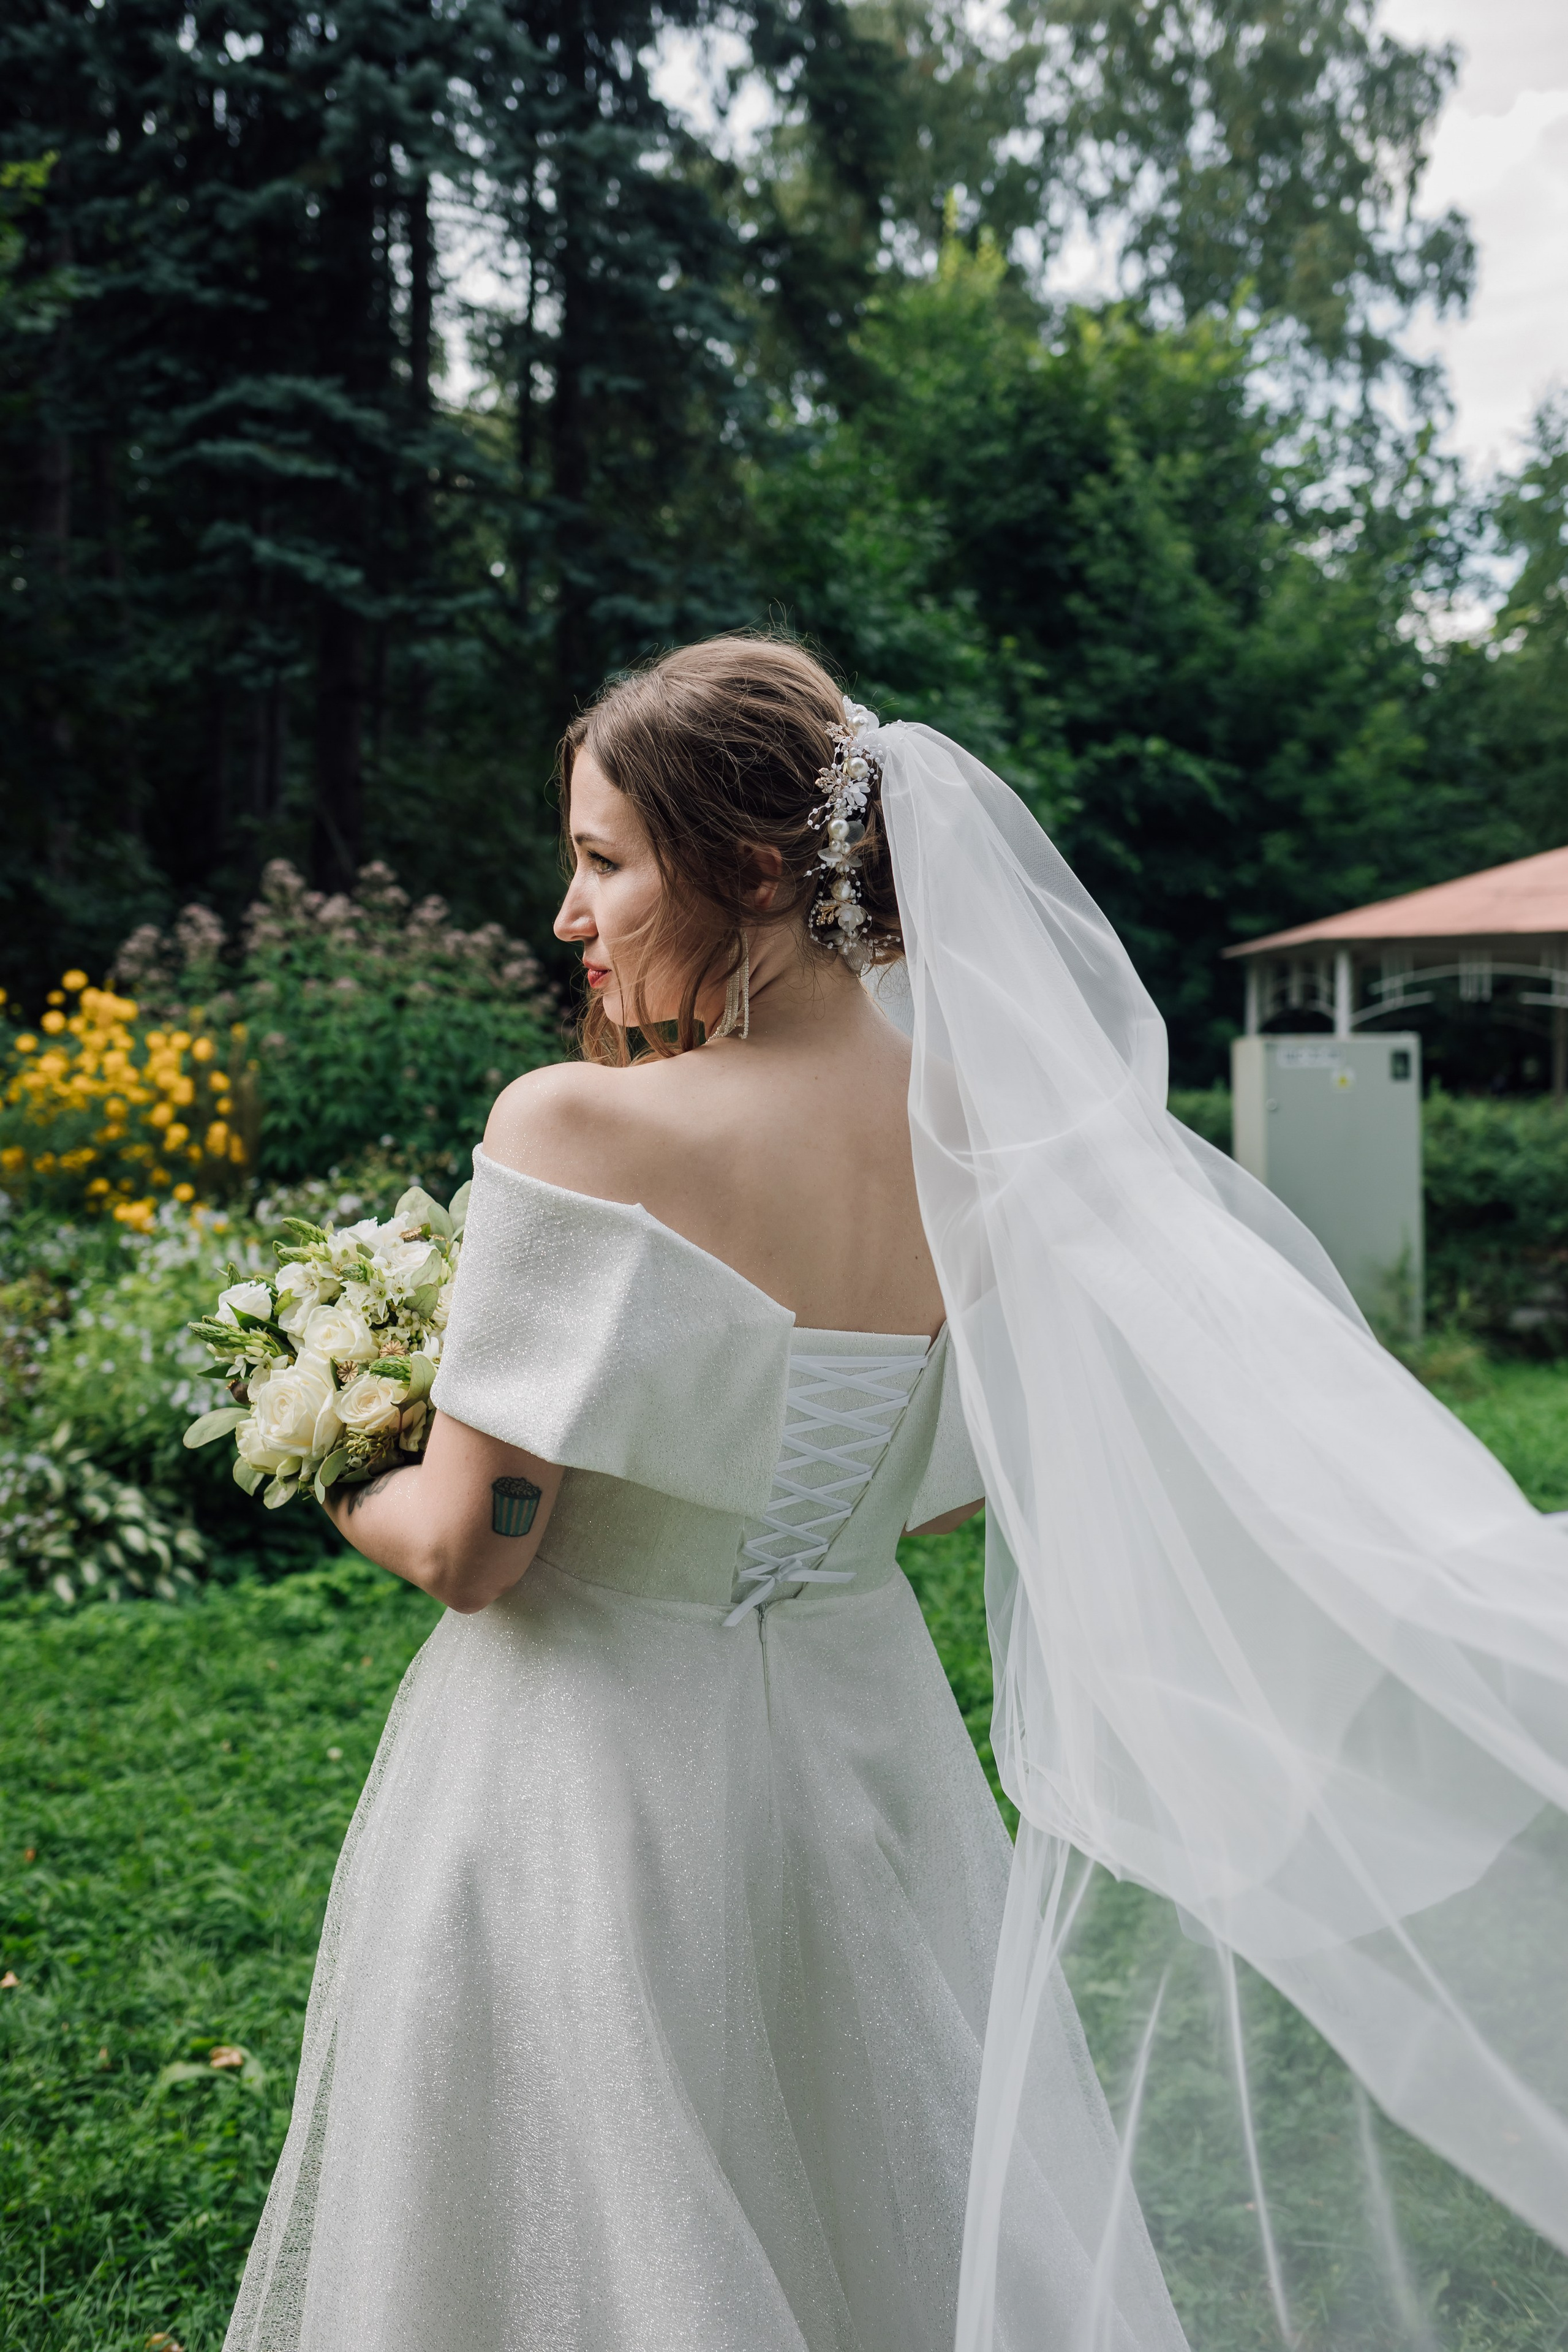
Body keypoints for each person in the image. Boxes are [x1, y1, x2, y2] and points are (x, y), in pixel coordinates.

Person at [228, 636, 1568, 2352]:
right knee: (886, 2202)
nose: (571, 915)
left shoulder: (577, 1127)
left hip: (596, 1776)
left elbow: (476, 1551)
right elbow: (952, 1481)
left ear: (762, 869)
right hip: (868, 1767)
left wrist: (337, 1439)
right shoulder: (986, 1135)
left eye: (603, 859)